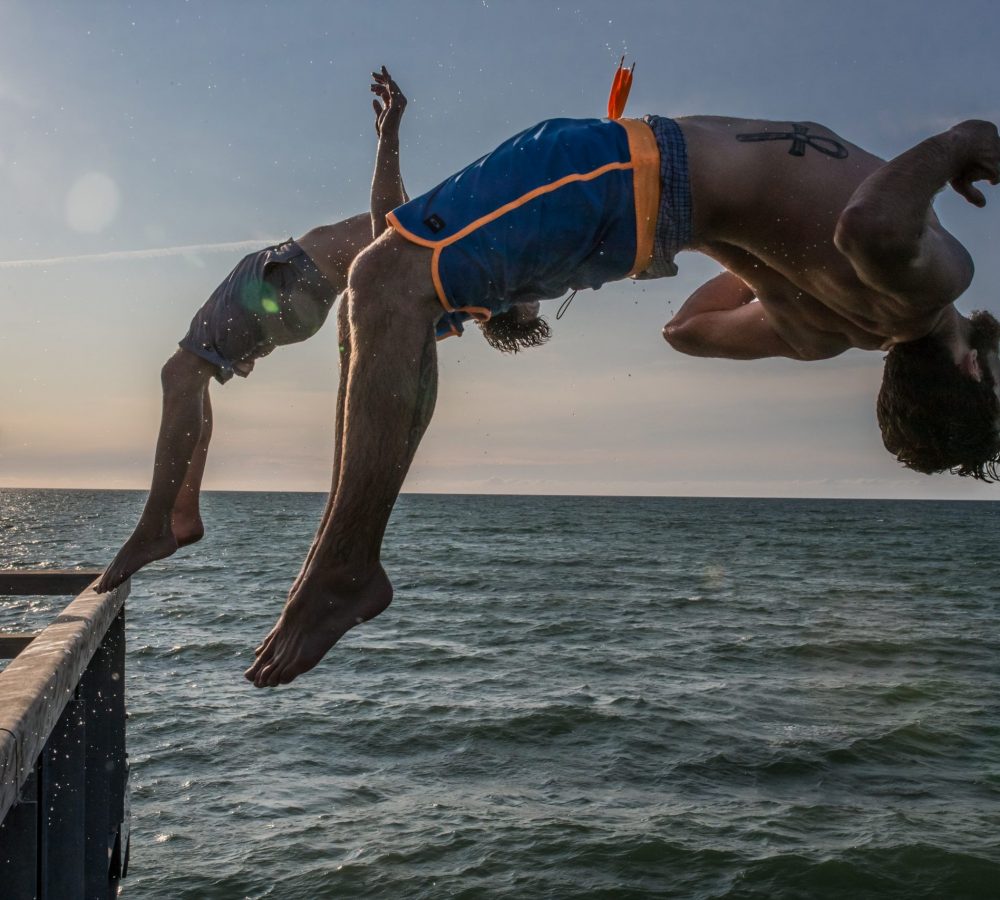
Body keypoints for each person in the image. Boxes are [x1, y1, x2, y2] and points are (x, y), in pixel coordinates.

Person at [244, 106, 1000, 689]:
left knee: (386, 282)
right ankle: (344, 557)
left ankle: (346, 564)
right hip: (644, 224)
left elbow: (866, 225)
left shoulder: (933, 288)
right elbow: (689, 331)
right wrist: (765, 249)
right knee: (391, 296)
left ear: (970, 374)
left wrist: (956, 141)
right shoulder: (827, 333)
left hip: (632, 169)